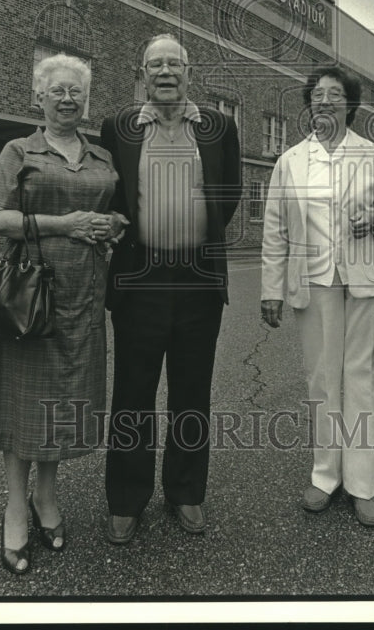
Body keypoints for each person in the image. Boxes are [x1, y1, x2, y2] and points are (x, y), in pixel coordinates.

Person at [0, 53, 128, 575]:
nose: (67, 99)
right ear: (38, 96)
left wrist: (113, 226)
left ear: (87, 99)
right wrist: (65, 224)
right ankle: (16, 509)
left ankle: (47, 496)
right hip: (29, 297)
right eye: (57, 90)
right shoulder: (19, 150)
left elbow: (115, 215)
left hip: (85, 295)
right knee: (22, 401)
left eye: (76, 92)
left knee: (64, 399)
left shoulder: (104, 157)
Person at [101, 33, 242, 544]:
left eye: (174, 64)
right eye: (154, 64)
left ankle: (185, 492)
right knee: (132, 394)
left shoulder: (218, 126)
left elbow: (228, 197)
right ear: (142, 73)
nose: (165, 72)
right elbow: (113, 195)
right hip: (139, 282)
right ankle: (126, 499)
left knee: (191, 394)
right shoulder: (118, 127)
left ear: (189, 72)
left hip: (199, 283)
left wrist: (189, 232)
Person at [260, 65, 374, 528]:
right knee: (323, 382)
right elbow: (275, 231)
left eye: (334, 94)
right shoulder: (291, 160)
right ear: (309, 103)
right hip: (314, 283)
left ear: (349, 103)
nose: (325, 100)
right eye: (317, 94)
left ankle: (364, 485)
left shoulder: (371, 153)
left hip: (365, 282)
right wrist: (271, 289)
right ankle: (325, 476)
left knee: (362, 380)